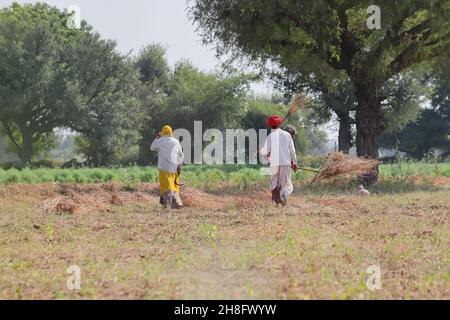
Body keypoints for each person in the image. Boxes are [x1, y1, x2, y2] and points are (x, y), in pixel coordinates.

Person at [260, 115, 298, 206]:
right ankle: (283, 197)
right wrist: (295, 162)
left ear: (270, 125)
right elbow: (292, 150)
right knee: (286, 184)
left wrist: (266, 155)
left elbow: (265, 152)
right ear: (280, 124)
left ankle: (276, 200)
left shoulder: (270, 136)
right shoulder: (287, 135)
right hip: (285, 163)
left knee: (274, 183)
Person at [151, 125, 185, 209]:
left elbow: (152, 148)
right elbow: (181, 154)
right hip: (174, 167)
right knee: (174, 186)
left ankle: (169, 205)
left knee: (166, 187)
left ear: (162, 132)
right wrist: (180, 165)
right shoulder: (176, 141)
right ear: (171, 132)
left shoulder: (160, 141)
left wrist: (157, 138)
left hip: (163, 168)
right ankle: (177, 202)